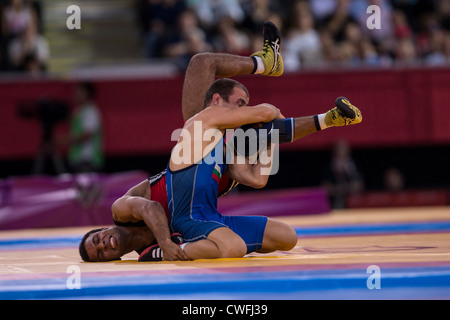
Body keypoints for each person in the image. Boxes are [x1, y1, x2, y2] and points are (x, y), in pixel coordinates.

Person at [79, 21, 362, 262]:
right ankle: (330, 118)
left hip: (192, 166)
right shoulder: (146, 249)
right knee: (261, 132)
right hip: (202, 197)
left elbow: (151, 208)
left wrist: (166, 244)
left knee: (203, 64)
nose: (105, 244)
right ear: (113, 259)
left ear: (102, 228)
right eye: (102, 252)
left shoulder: (122, 211)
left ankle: (268, 65)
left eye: (99, 239)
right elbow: (257, 177)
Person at [63, 82, 104, 173]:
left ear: (87, 93)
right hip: (76, 159)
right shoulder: (78, 111)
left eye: (79, 92)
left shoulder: (91, 111)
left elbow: (87, 135)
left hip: (88, 160)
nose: (76, 95)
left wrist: (65, 140)